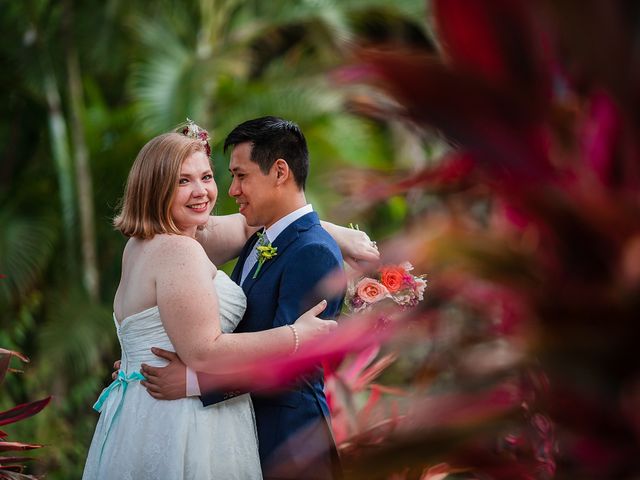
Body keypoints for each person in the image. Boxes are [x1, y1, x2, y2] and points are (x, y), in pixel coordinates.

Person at [84, 120, 379, 480]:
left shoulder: (142, 245)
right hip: (183, 420)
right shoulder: (181, 249)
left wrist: (332, 233)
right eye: (182, 181)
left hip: (151, 412)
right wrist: (297, 335)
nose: (207, 191)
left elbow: (253, 226)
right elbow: (205, 350)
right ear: (155, 188)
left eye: (207, 177)